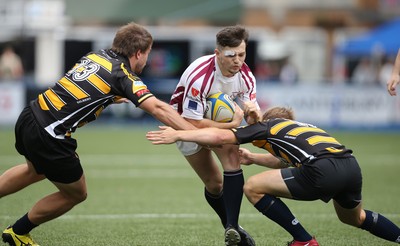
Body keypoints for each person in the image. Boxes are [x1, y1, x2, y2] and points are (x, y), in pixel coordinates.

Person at [0, 22, 196, 246]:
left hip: (30, 114)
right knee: (76, 194)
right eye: (148, 54)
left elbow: (87, 90)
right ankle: (18, 231)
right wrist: (196, 134)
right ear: (139, 52)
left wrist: (113, 97)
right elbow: (159, 109)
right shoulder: (122, 76)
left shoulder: (97, 56)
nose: (147, 60)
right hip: (50, 134)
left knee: (35, 170)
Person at [146, 106, 400, 245]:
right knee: (356, 218)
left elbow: (221, 137)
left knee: (253, 187)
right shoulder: (303, 127)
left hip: (322, 170)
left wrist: (179, 134)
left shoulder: (267, 126)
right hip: (350, 167)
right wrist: (254, 158)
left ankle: (304, 241)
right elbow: (285, 159)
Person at [169, 25, 261, 245]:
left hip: (221, 124)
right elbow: (193, 121)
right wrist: (231, 123)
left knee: (231, 160)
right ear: (217, 53)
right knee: (214, 184)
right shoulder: (200, 76)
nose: (238, 60)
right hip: (184, 123)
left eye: (242, 54)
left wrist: (253, 114)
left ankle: (233, 228)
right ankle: (230, 224)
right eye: (231, 55)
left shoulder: (246, 76)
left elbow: (252, 119)